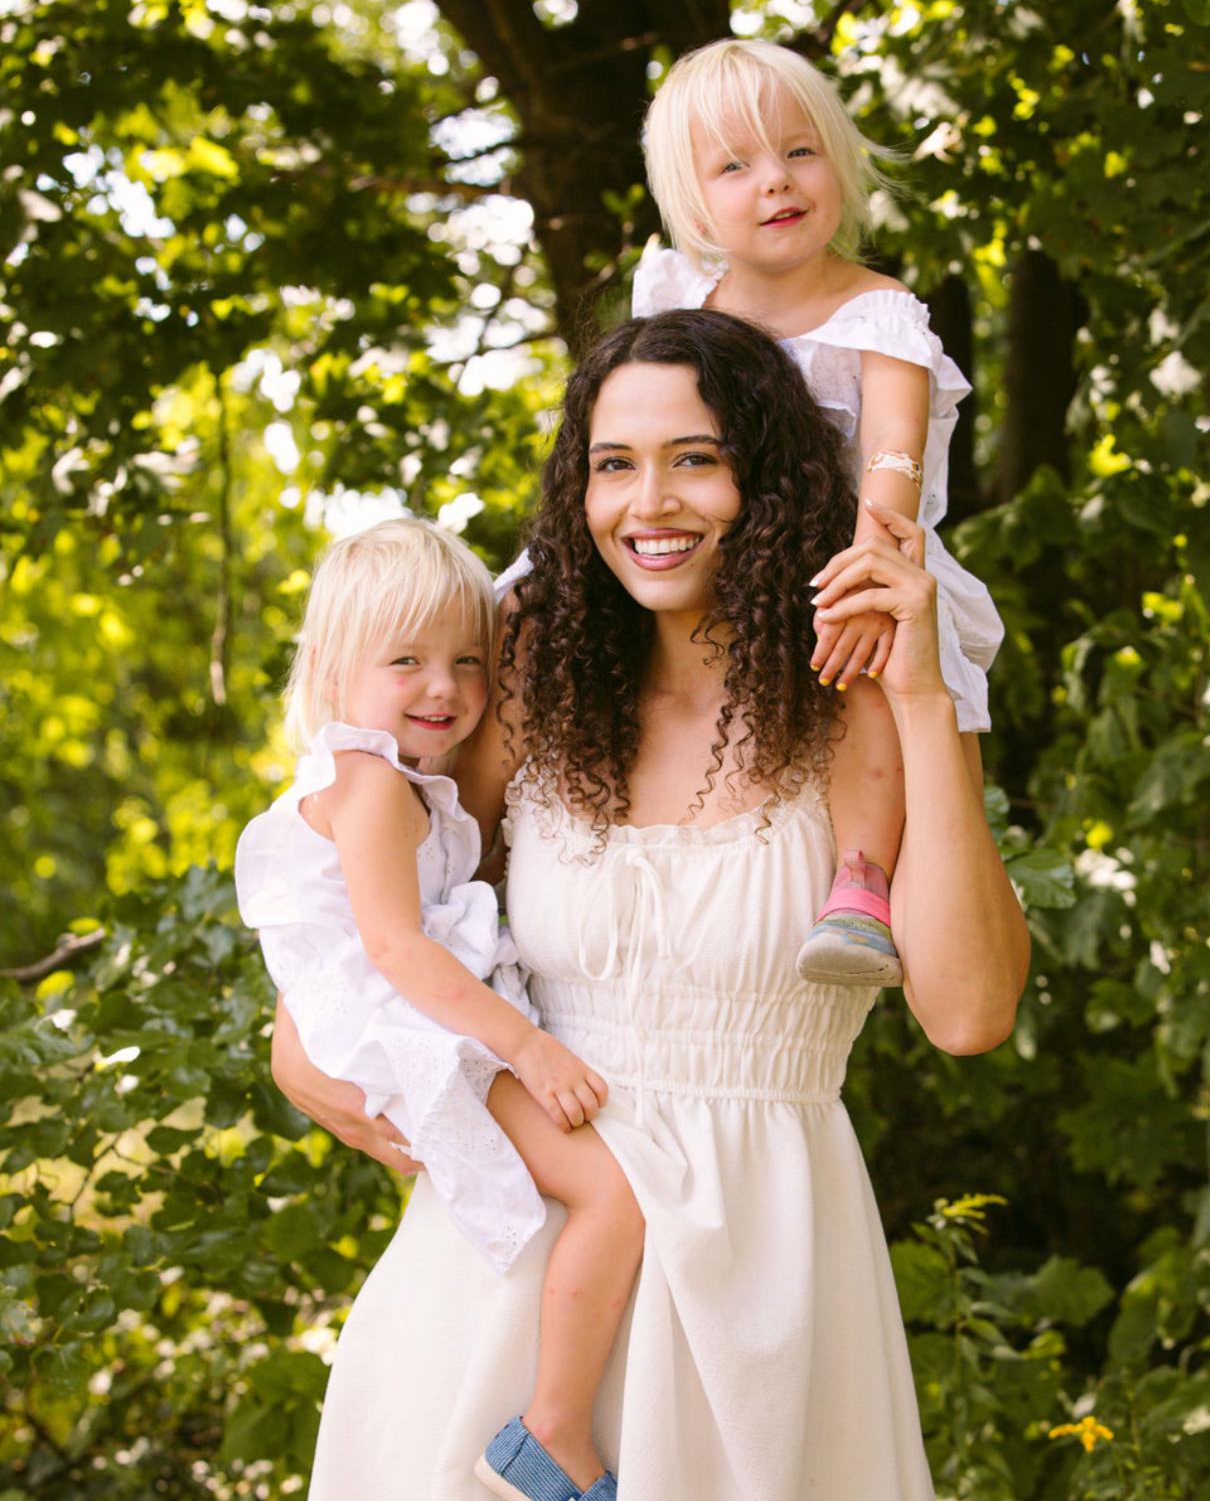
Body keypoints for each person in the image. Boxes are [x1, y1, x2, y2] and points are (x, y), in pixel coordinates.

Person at [272, 310, 1030, 1501]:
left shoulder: (871, 696)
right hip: (512, 1282)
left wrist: (928, 696)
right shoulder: (526, 671)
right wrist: (294, 1027)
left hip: (766, 1268)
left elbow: (972, 1013)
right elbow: (390, 904)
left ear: (766, 480)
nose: (649, 502)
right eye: (614, 465)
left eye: (695, 458)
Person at [235, 518, 641, 1500]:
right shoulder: (371, 785)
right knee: (613, 1199)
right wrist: (531, 1050)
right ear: (331, 671)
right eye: (405, 660)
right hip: (416, 1036)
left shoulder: (389, 780)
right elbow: (396, 949)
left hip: (423, 1024)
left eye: (467, 662)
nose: (443, 689)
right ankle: (552, 1432)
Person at [628, 35, 1006, 987]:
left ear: (839, 155)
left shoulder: (880, 314)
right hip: (703, 545)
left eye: (800, 151)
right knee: (531, 608)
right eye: (735, 165)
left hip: (839, 548)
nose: (777, 182)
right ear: (691, 196)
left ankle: (861, 885)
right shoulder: (681, 293)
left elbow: (892, 457)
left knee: (867, 659)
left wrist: (870, 569)